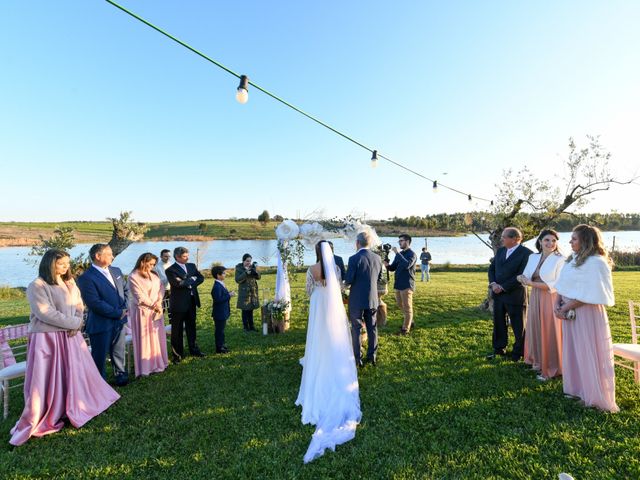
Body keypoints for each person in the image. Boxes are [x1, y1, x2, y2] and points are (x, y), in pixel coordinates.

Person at [10, 250, 119, 446]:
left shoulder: (70, 283)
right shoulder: (37, 285)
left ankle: (75, 403)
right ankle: (53, 410)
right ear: (50, 264)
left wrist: (77, 322)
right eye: (61, 264)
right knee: (50, 377)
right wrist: (73, 324)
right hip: (47, 338)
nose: (66, 267)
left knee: (74, 372)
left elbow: (79, 305)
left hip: (70, 336)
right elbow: (45, 313)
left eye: (67, 263)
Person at [296, 241, 361, 463]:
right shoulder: (336, 269)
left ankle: (318, 369)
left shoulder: (311, 270)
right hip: (332, 308)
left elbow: (307, 291)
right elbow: (341, 288)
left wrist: (317, 287)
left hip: (318, 306)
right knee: (333, 337)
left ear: (316, 252)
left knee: (317, 338)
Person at [554, 224, 618, 412]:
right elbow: (563, 284)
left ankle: (594, 395)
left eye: (574, 239)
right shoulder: (572, 259)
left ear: (586, 241)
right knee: (574, 349)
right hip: (568, 310)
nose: (570, 241)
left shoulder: (597, 262)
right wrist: (557, 304)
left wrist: (565, 307)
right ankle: (577, 389)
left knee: (588, 350)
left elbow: (591, 293)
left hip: (586, 313)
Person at [77, 244, 130, 385]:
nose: (112, 256)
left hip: (120, 320)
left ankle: (120, 375)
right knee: (100, 355)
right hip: (101, 322)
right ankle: (100, 383)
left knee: (119, 349)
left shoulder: (116, 271)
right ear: (98, 256)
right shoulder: (86, 278)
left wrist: (125, 308)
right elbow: (94, 302)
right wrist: (117, 313)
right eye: (109, 254)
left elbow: (126, 291)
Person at [517, 229, 565, 380]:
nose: (550, 243)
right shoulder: (533, 257)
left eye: (553, 241)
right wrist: (522, 278)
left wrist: (531, 283)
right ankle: (537, 361)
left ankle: (552, 367)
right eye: (547, 240)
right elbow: (526, 274)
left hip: (550, 296)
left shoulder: (561, 259)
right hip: (536, 296)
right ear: (540, 242)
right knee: (536, 327)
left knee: (549, 329)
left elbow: (557, 284)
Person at [487, 227, 533, 362]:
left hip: (515, 295)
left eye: (504, 237)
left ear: (515, 239)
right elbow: (492, 269)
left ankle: (518, 352)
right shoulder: (501, 251)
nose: (502, 239)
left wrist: (503, 287)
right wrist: (494, 283)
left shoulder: (527, 253)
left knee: (519, 326)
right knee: (499, 323)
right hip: (498, 295)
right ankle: (499, 348)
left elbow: (522, 274)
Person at [344, 231, 383, 367]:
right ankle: (372, 356)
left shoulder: (353, 259)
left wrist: (342, 286)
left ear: (357, 243)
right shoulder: (378, 258)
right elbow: (379, 278)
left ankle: (357, 359)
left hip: (356, 300)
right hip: (372, 299)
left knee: (356, 328)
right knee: (372, 327)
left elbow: (348, 280)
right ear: (369, 243)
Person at [127, 252, 169, 377]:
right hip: (143, 312)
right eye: (150, 264)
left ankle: (159, 362)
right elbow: (138, 295)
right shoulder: (133, 276)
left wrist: (159, 302)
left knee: (157, 337)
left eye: (154, 264)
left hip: (156, 310)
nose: (152, 266)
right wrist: (153, 305)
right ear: (143, 262)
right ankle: (146, 367)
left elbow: (161, 288)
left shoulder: (154, 274)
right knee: (146, 339)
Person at [166, 246, 205, 362]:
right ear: (177, 257)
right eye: (184, 256)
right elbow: (177, 284)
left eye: (188, 256)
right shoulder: (170, 270)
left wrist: (189, 281)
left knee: (191, 327)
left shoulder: (191, 266)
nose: (187, 258)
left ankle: (194, 349)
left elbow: (201, 277)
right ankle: (177, 355)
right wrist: (191, 280)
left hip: (192, 301)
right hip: (178, 304)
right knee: (177, 330)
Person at [384, 234, 418, 335]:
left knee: (407, 308)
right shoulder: (400, 254)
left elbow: (407, 265)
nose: (399, 243)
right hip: (398, 284)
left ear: (407, 242)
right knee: (400, 304)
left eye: (401, 241)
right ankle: (410, 321)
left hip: (407, 284)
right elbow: (393, 267)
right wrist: (387, 265)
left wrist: (396, 253)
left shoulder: (412, 254)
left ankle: (405, 329)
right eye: (399, 241)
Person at [211, 265, 235, 354]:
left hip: (223, 311)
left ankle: (222, 345)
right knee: (219, 331)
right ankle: (219, 348)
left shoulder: (221, 284)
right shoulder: (217, 286)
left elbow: (222, 296)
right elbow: (218, 300)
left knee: (222, 330)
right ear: (218, 275)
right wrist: (229, 295)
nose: (225, 274)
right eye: (224, 273)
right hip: (219, 313)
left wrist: (228, 293)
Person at [235, 253, 261, 332]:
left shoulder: (252, 267)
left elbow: (259, 277)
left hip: (252, 293)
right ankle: (246, 327)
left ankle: (252, 326)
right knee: (245, 310)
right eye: (247, 261)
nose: (248, 263)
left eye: (250, 261)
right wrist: (246, 273)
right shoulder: (239, 268)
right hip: (244, 293)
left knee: (251, 310)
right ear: (243, 261)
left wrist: (256, 271)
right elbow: (237, 280)